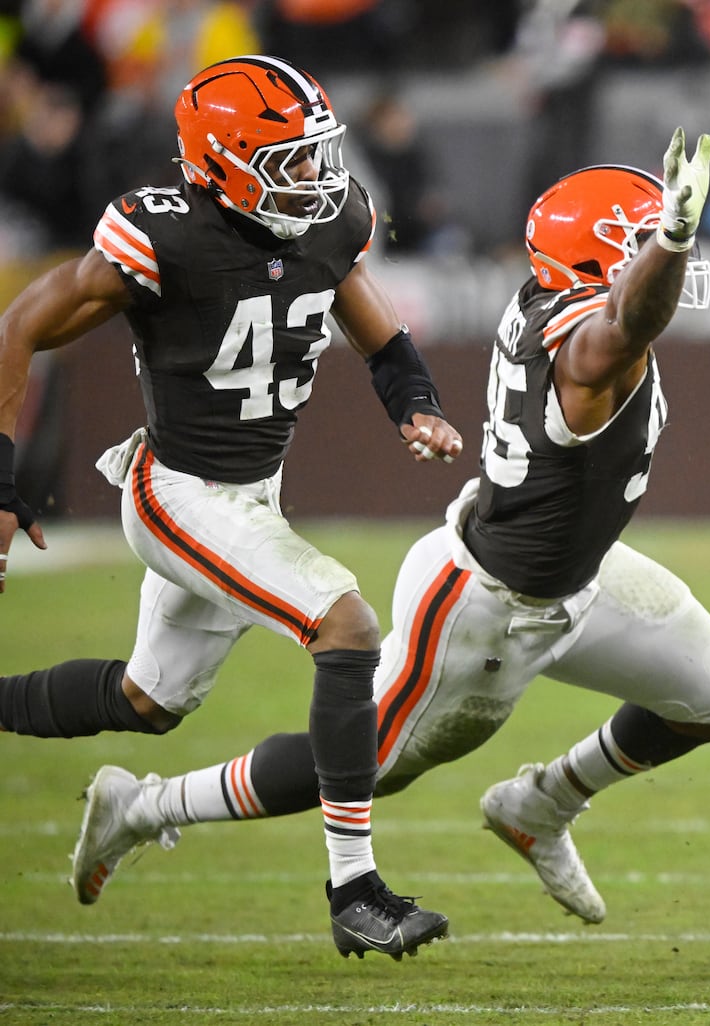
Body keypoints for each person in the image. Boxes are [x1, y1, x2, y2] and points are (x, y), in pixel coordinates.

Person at [59, 128, 710, 926]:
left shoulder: (565, 307)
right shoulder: (587, 349)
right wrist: (670, 238)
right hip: (491, 605)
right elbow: (622, 330)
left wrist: (659, 245)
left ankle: (542, 803)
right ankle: (144, 807)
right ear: (603, 262)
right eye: (635, 246)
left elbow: (624, 317)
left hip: (581, 576)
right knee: (367, 767)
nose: (665, 263)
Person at [0, 55, 463, 960]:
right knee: (346, 625)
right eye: (287, 161)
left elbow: (371, 322)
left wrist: (415, 401)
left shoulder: (328, 218)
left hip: (252, 494)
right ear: (219, 164)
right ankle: (354, 890)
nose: (315, 179)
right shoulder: (160, 233)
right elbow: (19, 325)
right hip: (178, 490)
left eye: (314, 155)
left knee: (148, 701)